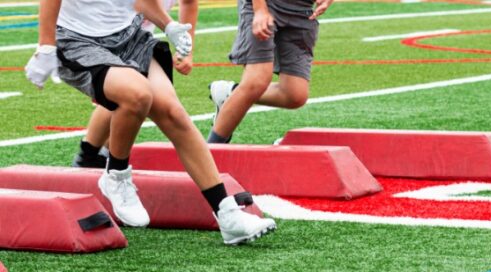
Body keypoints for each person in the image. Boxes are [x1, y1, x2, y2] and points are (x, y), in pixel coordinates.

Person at [25, 0, 276, 245]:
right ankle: (116, 176)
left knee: (174, 115)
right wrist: (46, 45)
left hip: (129, 35)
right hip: (78, 39)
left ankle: (228, 215)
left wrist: (168, 25)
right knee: (138, 94)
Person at [72, 0, 192, 168]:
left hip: (139, 43)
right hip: (106, 40)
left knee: (141, 100)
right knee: (131, 97)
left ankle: (96, 155)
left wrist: (186, 49)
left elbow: (189, 2)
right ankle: (90, 156)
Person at [207, 0, 334, 144]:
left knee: (294, 95)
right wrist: (260, 9)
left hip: (302, 11)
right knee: (256, 82)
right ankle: (210, 150)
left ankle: (231, 92)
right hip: (266, 5)